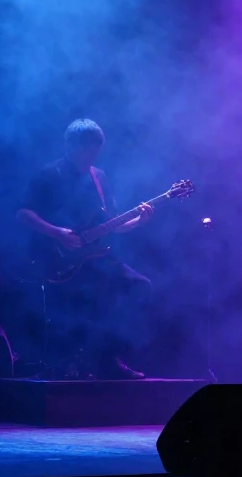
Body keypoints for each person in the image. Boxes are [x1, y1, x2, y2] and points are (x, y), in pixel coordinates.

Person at [17, 118, 154, 379]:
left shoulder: (99, 177)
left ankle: (109, 359)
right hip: (59, 258)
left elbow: (112, 225)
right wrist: (57, 233)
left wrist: (139, 221)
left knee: (140, 286)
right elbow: (23, 214)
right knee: (91, 294)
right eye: (85, 150)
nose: (89, 157)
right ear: (69, 145)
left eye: (94, 152)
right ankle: (68, 362)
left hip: (96, 257)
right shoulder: (48, 174)